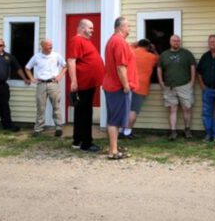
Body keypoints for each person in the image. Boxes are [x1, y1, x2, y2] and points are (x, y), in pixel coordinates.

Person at [67, 19, 105, 153]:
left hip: (89, 83)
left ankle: (77, 140)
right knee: (85, 113)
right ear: (82, 28)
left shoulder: (86, 41)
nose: (92, 31)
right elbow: (71, 60)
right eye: (90, 28)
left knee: (81, 113)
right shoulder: (76, 40)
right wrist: (74, 81)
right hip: (84, 83)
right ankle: (86, 144)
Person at [103, 16, 137, 160]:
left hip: (113, 85)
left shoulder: (115, 40)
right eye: (128, 26)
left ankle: (114, 147)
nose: (130, 28)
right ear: (120, 27)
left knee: (115, 119)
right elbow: (120, 67)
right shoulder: (119, 42)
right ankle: (113, 152)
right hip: (118, 87)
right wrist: (126, 85)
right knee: (114, 120)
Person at [157, 34, 196, 140]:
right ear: (170, 42)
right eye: (174, 40)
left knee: (186, 108)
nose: (176, 42)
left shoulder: (187, 54)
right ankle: (173, 132)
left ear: (180, 42)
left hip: (185, 85)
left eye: (178, 41)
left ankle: (187, 130)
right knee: (172, 109)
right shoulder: (164, 55)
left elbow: (192, 67)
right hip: (169, 86)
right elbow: (159, 68)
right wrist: (160, 81)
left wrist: (192, 81)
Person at [25, 39, 67, 137]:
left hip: (53, 84)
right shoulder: (37, 56)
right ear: (42, 46)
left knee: (56, 106)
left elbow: (65, 66)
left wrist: (60, 76)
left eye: (51, 45)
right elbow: (27, 68)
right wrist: (32, 79)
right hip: (41, 84)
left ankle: (58, 127)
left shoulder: (56, 55)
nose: (50, 47)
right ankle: (38, 129)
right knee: (40, 107)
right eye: (48, 45)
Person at [121, 39, 158, 139]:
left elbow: (127, 46)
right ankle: (127, 132)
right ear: (148, 47)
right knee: (133, 110)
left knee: (125, 109)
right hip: (141, 86)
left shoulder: (131, 51)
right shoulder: (152, 57)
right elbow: (159, 60)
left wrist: (135, 44)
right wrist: (153, 49)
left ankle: (122, 130)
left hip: (128, 84)